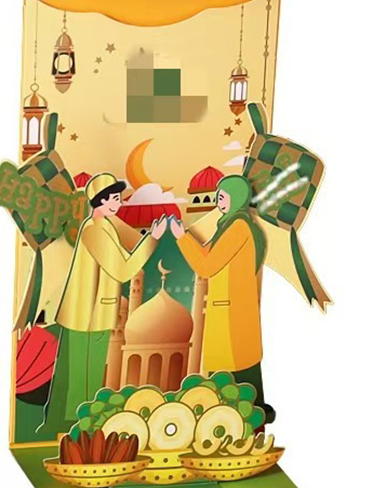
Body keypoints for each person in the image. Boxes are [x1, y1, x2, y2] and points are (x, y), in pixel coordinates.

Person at [38, 173, 167, 437]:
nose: (119, 202)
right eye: (115, 198)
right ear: (101, 200)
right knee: (84, 377)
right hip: (90, 316)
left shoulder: (103, 226)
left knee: (77, 375)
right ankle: (78, 429)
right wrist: (151, 239)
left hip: (89, 313)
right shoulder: (95, 230)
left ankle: (64, 426)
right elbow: (122, 269)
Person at [170, 175, 274, 423]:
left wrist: (181, 237)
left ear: (237, 197)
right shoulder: (232, 225)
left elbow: (206, 266)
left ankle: (240, 418)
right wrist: (185, 236)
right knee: (241, 364)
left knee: (232, 370)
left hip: (230, 311)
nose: (219, 201)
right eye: (218, 196)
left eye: (223, 196)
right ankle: (248, 415)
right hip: (235, 308)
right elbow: (209, 253)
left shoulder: (237, 227)